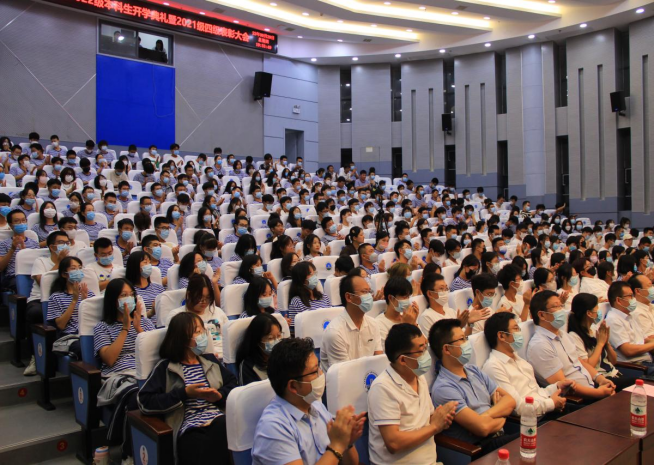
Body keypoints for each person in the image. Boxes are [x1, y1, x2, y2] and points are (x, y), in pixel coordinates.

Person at [137, 312, 236, 465]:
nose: (203, 335)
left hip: (218, 420)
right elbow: (144, 401)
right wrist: (184, 393)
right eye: (197, 332)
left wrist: (219, 395)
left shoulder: (209, 360)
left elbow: (233, 384)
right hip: (190, 428)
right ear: (182, 339)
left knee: (225, 427)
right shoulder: (166, 367)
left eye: (202, 330)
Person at [252, 338, 365, 466]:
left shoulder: (316, 406)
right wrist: (337, 445)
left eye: (319, 367)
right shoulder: (273, 427)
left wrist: (347, 443)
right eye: (314, 371)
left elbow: (352, 463)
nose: (321, 374)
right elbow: (336, 448)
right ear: (293, 386)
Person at [368, 323, 457, 465]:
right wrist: (434, 427)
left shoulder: (419, 377)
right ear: (403, 359)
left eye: (426, 347)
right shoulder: (383, 387)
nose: (426, 354)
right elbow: (393, 443)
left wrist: (442, 419)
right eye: (421, 351)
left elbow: (429, 420)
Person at [429, 319, 518, 456]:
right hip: (480, 448)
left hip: (500, 436)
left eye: (466, 338)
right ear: (447, 349)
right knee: (532, 439)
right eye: (462, 339)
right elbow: (482, 428)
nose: (467, 343)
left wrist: (486, 415)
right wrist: (501, 413)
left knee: (537, 433)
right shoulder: (444, 388)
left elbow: (510, 401)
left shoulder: (473, 370)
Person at [526, 290, 616, 401]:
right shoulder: (540, 345)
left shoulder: (563, 335)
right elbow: (564, 385)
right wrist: (598, 393)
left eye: (561, 306)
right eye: (556, 307)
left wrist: (600, 379)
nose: (561, 310)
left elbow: (580, 362)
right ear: (542, 315)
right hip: (578, 399)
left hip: (591, 386)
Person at [482, 313, 573, 421]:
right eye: (516, 329)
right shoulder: (494, 367)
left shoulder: (519, 360)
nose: (520, 333)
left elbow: (537, 393)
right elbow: (517, 407)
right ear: (501, 336)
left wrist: (557, 386)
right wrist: (551, 403)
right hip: (531, 421)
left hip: (545, 409)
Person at [23, 231, 72, 376]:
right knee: (36, 313)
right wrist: (59, 262)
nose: (65, 245)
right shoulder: (41, 261)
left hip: (65, 298)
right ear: (51, 247)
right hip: (40, 299)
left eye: (67, 242)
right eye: (61, 243)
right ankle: (35, 357)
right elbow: (43, 283)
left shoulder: (73, 262)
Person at [568, 293, 637, 391]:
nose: (599, 311)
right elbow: (588, 366)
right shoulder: (574, 336)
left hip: (613, 372)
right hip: (600, 379)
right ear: (589, 313)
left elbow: (613, 361)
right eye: (597, 308)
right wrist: (600, 344)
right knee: (637, 382)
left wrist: (606, 343)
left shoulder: (594, 329)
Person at [320, 271, 383, 373]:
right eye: (364, 292)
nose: (370, 296)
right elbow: (343, 374)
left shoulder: (373, 324)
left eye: (369, 291)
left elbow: (378, 361)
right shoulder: (335, 332)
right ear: (349, 297)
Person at [46, 257, 94, 360]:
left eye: (80, 268)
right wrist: (74, 300)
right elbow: (61, 325)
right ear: (64, 274)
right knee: (83, 348)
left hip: (88, 333)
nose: (78, 271)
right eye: (73, 268)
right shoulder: (56, 297)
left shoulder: (89, 294)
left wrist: (85, 302)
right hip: (69, 337)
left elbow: (94, 320)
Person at [605, 282, 654, 372]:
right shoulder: (613, 320)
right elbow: (628, 350)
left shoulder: (630, 316)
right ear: (619, 300)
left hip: (647, 361)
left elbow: (644, 340)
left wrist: (651, 343)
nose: (634, 299)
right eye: (630, 296)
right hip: (634, 365)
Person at [418, 273, 488, 337]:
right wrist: (458, 326)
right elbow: (437, 344)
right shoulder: (426, 317)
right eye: (441, 288)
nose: (445, 292)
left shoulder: (451, 311)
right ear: (430, 293)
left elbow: (465, 338)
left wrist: (470, 324)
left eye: (446, 288)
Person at [235, 313, 283, 386]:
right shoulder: (248, 366)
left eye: (279, 336)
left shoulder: (284, 356)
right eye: (270, 338)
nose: (276, 341)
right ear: (257, 340)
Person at [0, 210, 40, 290]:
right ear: (10, 224)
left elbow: (38, 262)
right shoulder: (4, 244)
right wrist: (12, 249)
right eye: (17, 221)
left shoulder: (34, 243)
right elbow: (1, 267)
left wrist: (24, 253)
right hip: (13, 276)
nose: (21, 223)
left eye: (23, 220)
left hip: (32, 274)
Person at [376, 277, 420, 344]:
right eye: (404, 297)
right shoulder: (379, 323)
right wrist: (406, 325)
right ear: (391, 298)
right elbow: (392, 349)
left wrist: (414, 323)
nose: (407, 301)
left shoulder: (407, 317)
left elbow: (424, 343)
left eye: (408, 297)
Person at [125, 251, 166, 322]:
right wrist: (152, 312)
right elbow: (134, 318)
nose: (149, 265)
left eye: (149, 262)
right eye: (145, 262)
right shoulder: (130, 292)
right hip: (145, 325)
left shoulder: (159, 288)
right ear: (135, 266)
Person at [288, 262, 332, 327]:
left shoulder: (324, 297)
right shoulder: (296, 301)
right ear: (301, 278)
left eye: (314, 273)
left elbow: (331, 317)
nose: (314, 276)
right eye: (310, 274)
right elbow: (294, 328)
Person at [629, 274, 654, 339]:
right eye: (649, 286)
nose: (652, 288)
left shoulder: (651, 306)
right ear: (638, 291)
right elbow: (650, 337)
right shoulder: (637, 312)